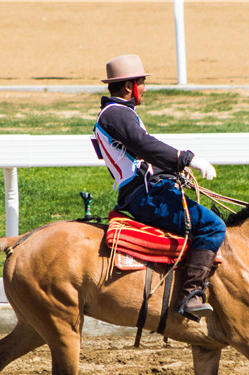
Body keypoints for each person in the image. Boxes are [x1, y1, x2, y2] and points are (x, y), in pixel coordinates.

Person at [93, 54, 226, 321]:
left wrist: (176, 170)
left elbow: (142, 157)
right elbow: (145, 146)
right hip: (145, 196)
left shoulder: (120, 114)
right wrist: (187, 158)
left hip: (147, 190)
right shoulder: (116, 114)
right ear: (129, 86)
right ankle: (190, 295)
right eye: (141, 82)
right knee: (213, 226)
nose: (144, 88)